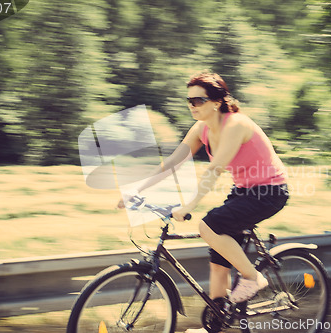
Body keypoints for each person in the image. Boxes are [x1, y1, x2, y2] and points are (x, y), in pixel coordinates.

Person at [118, 72, 289, 333]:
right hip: (244, 190)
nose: (191, 105)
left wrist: (189, 206)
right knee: (218, 260)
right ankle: (218, 323)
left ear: (217, 102)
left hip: (270, 191)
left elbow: (215, 169)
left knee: (209, 226)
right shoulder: (202, 129)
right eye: (189, 100)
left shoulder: (236, 125)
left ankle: (253, 277)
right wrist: (137, 189)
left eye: (198, 100)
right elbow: (173, 162)